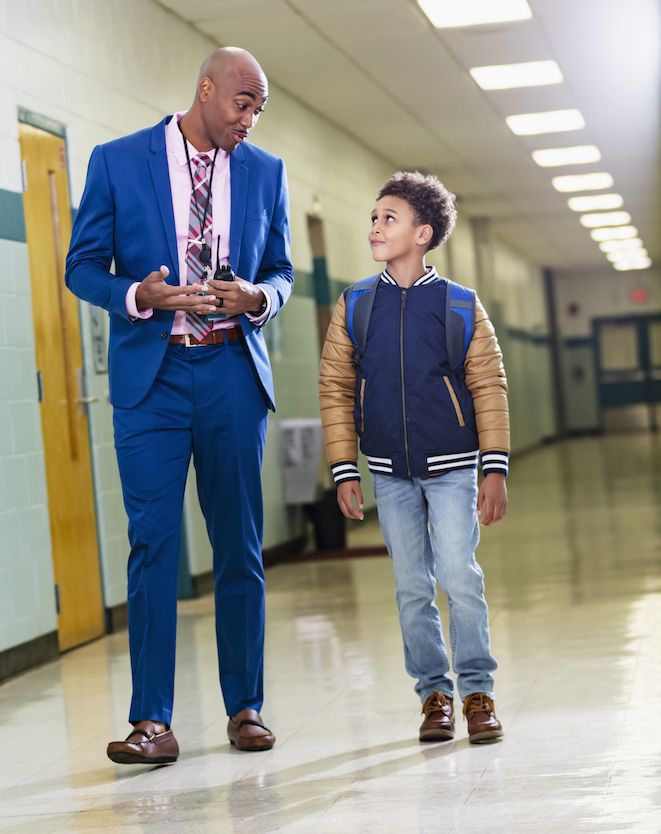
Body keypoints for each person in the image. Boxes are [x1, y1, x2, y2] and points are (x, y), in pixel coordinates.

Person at [66, 48, 293, 764]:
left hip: (230, 370)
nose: (250, 119)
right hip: (152, 377)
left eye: (259, 108)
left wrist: (257, 298)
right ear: (205, 90)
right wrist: (140, 295)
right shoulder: (116, 160)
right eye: (242, 103)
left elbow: (282, 270)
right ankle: (152, 722)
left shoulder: (266, 173)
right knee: (154, 547)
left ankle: (246, 707)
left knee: (238, 545)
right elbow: (81, 266)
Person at [318, 171, 509, 743]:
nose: (376, 227)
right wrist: (343, 466)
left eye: (389, 218)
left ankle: (477, 692)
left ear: (423, 233)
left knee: (459, 575)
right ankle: (434, 697)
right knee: (410, 587)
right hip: (387, 472)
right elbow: (335, 387)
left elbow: (488, 384)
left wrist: (493, 465)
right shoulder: (354, 305)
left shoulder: (459, 305)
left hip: (452, 466)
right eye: (373, 218)